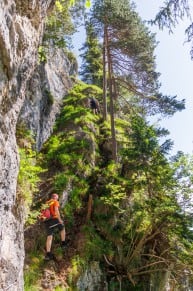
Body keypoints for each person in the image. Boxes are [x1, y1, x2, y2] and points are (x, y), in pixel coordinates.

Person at [44, 193, 66, 260]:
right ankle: (63, 243)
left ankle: (48, 254)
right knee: (62, 228)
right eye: (57, 198)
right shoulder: (55, 202)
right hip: (54, 219)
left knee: (49, 237)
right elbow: (56, 211)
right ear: (55, 197)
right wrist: (60, 220)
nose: (57, 199)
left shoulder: (47, 203)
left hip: (47, 221)